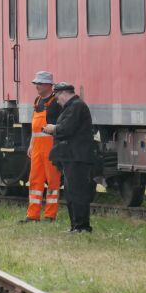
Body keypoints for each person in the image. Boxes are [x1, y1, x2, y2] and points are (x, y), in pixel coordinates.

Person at [43, 82, 95, 233]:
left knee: (78, 192)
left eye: (57, 97)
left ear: (64, 94)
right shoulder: (71, 107)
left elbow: (67, 129)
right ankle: (75, 226)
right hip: (71, 156)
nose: (57, 101)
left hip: (77, 157)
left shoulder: (77, 106)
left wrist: (54, 128)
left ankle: (82, 226)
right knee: (71, 192)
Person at [19, 71, 62, 223]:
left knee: (53, 181)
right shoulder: (38, 101)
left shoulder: (56, 102)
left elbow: (61, 126)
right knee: (35, 182)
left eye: (40, 83)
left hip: (51, 147)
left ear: (49, 85)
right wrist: (31, 144)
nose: (36, 86)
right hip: (37, 148)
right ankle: (32, 215)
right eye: (36, 83)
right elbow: (35, 128)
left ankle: (50, 215)